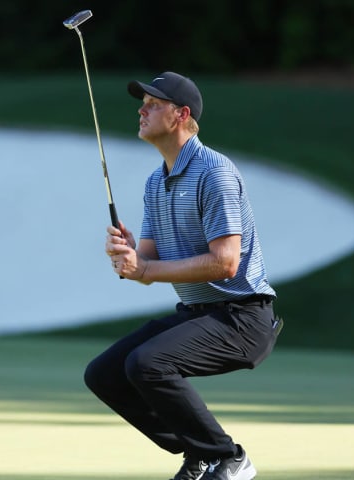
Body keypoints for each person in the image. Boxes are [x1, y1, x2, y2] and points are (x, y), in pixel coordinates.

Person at [84, 71, 282, 480]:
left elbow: (225, 263)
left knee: (146, 363)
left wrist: (146, 269)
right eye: (143, 103)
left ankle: (228, 457)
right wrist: (127, 256)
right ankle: (199, 452)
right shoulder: (156, 182)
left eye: (153, 104)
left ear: (181, 115)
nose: (142, 109)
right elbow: (146, 265)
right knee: (104, 373)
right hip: (199, 313)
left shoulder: (215, 173)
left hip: (242, 318)